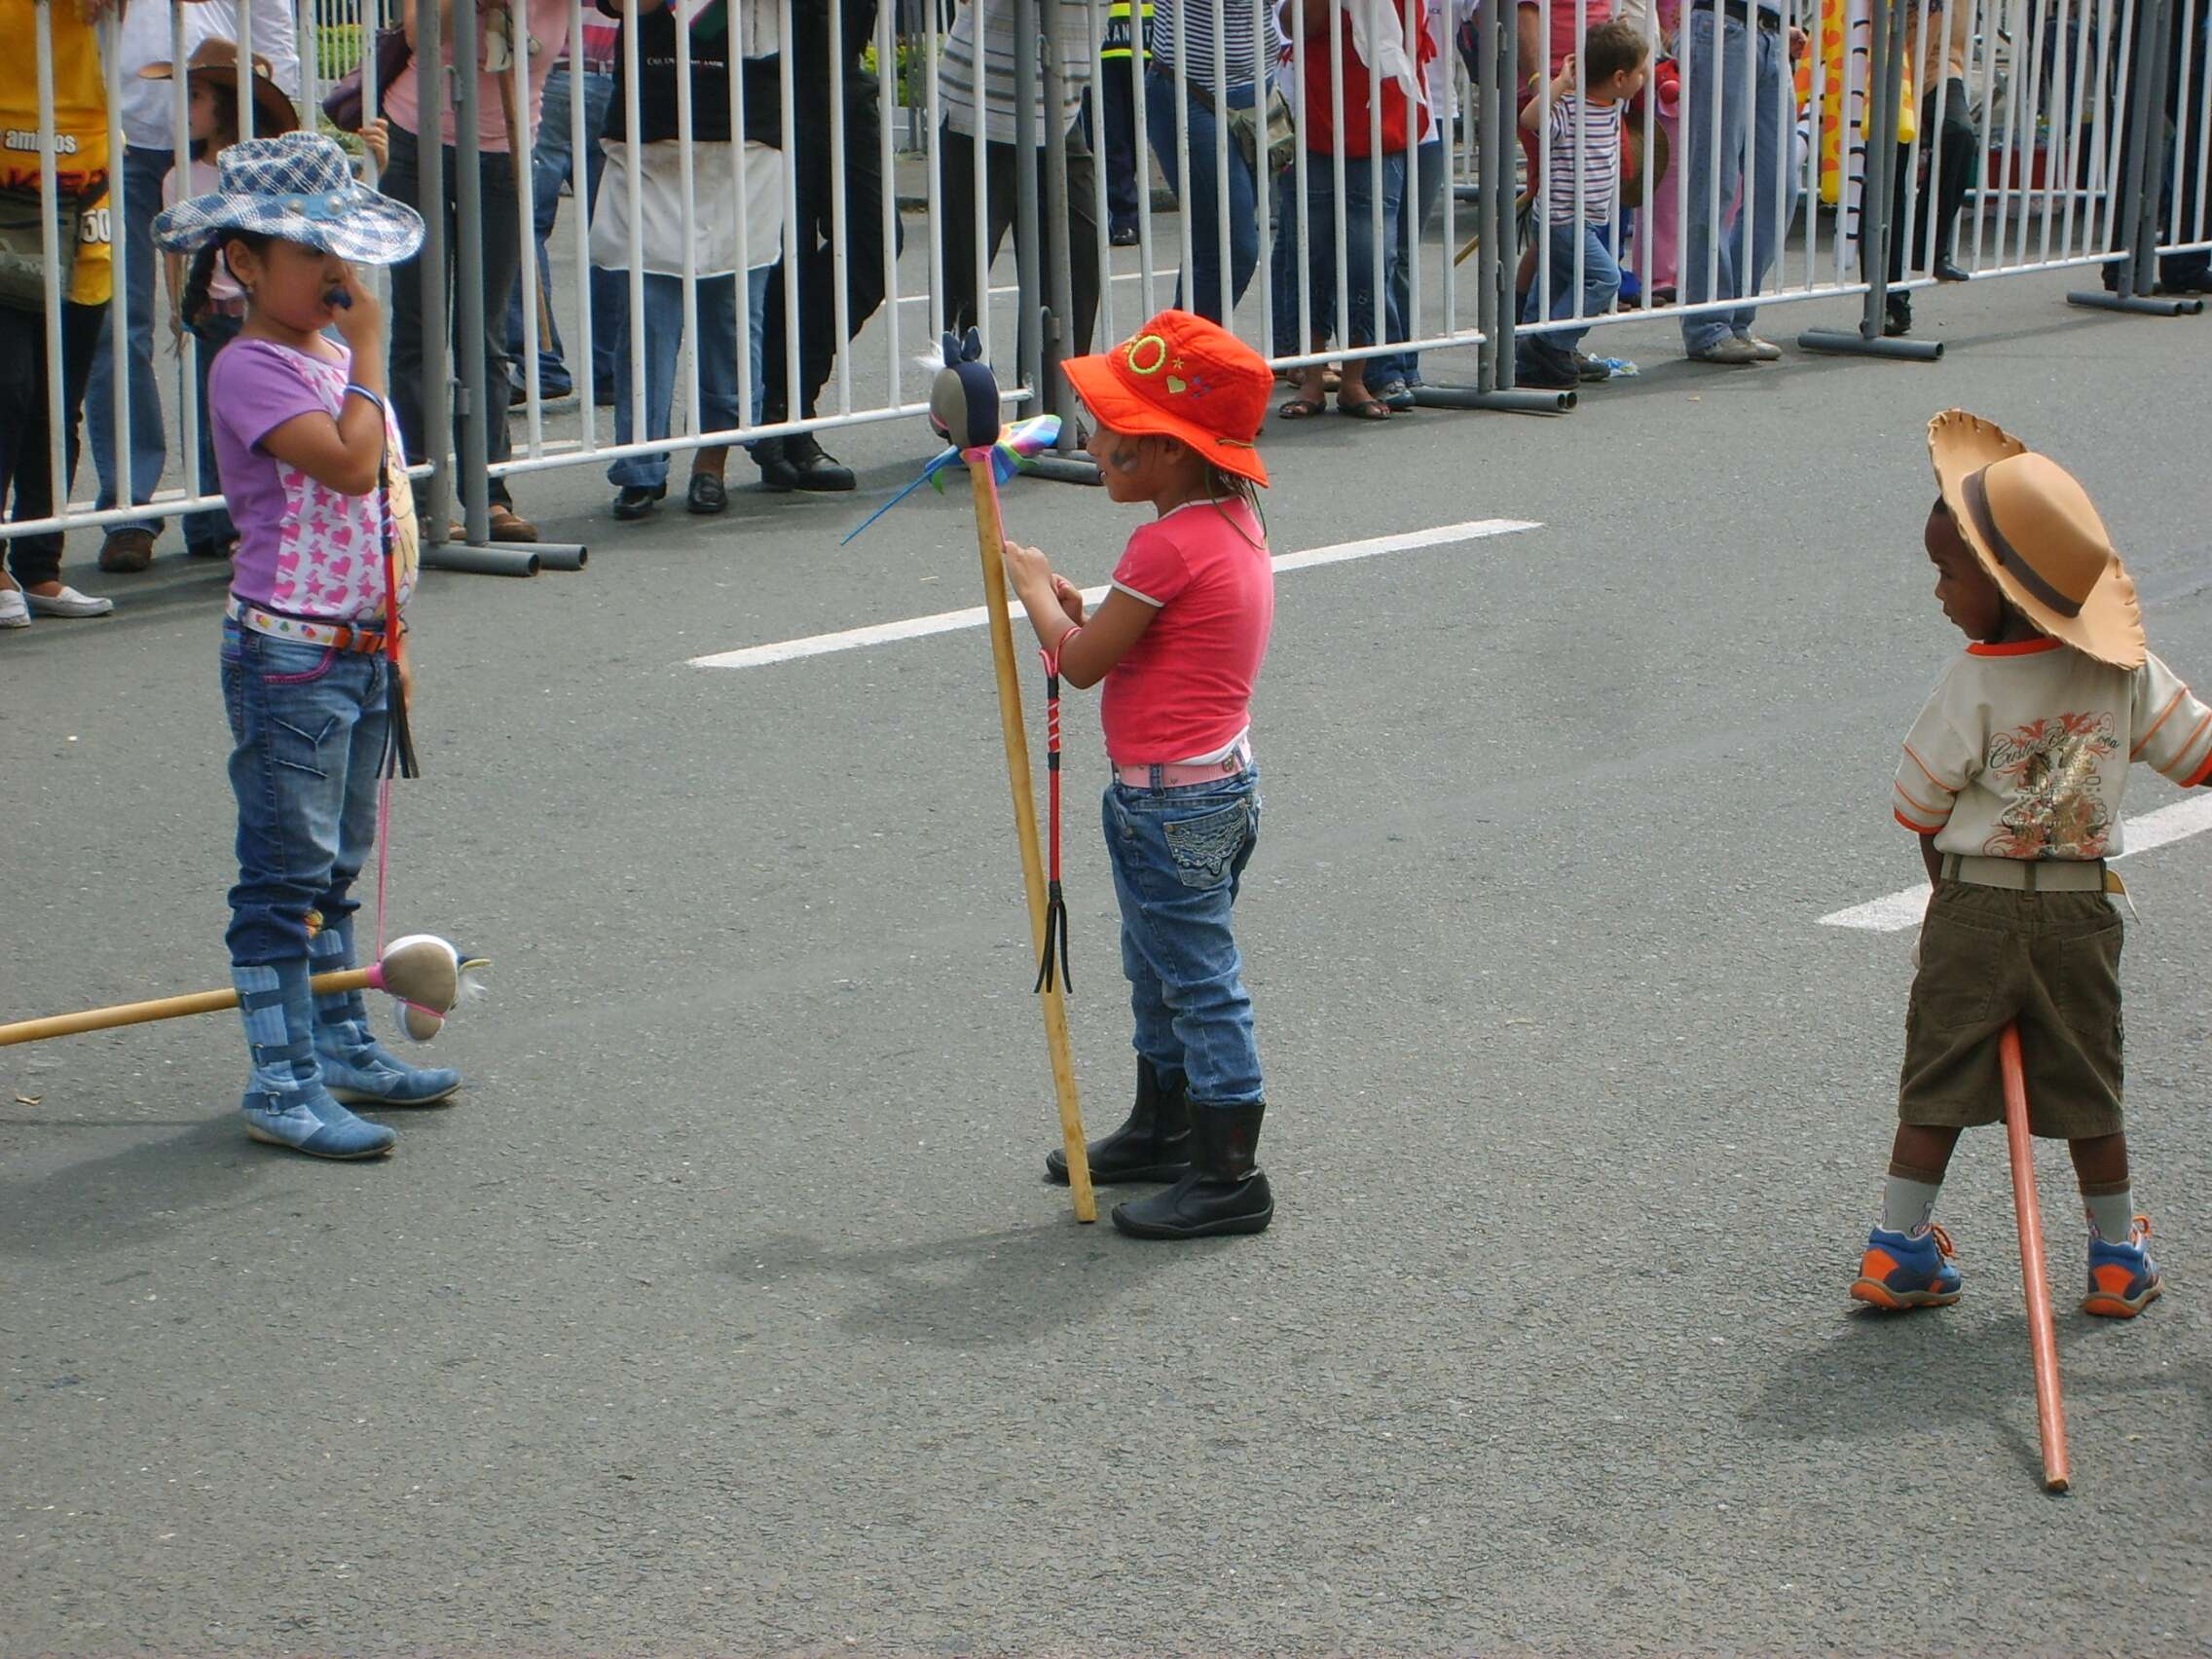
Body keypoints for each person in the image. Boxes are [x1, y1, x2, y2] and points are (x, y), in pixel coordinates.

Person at [1850, 409, 2204, 1316]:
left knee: (1937, 1077)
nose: (1938, 590)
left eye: (1948, 572)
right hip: (2079, 916)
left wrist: (1950, 876)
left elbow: (1917, 804)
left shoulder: (1973, 679)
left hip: (1973, 908)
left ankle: (1899, 1249)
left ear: (2005, 590)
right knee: (2090, 1086)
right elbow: (2199, 756)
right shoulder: (2125, 674)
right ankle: (2118, 1257)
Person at [153, 132, 460, 1160]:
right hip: (288, 657)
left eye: (346, 251)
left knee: (337, 866)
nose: (339, 274)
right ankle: (279, 1080)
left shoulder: (323, 353)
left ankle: (336, 1044)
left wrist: (395, 633)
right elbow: (344, 468)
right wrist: (372, 356)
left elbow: (385, 517)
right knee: (282, 876)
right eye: (310, 253)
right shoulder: (250, 368)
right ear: (242, 263)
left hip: (358, 648)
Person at [999, 309, 1277, 1241]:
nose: (1093, 440)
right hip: (1216, 789)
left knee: (1196, 981)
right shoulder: (1229, 521)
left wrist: (1036, 593)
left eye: (1111, 427)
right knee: (1160, 965)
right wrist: (1085, 607)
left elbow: (1080, 664)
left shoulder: (1162, 546)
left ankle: (1229, 1173)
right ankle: (1165, 1127)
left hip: (1172, 801)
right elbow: (1137, 632)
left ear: (1163, 451)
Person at [88, 0, 297, 574]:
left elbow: (272, 18)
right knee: (118, 325)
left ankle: (224, 510)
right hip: (120, 132)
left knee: (229, 326)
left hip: (223, 138)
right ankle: (128, 510)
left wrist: (271, 117)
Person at [381, 0, 572, 543]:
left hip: (506, 149)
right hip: (418, 141)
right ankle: (415, 495)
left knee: (486, 333)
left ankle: (488, 492)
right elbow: (419, 33)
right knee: (418, 328)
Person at [591, 0, 784, 520]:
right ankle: (639, 466)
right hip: (650, 128)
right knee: (647, 315)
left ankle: (712, 462)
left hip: (747, 129)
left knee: (732, 316)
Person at [150, 36, 300, 561]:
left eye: (195, 96)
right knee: (212, 422)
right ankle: (211, 526)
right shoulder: (180, 177)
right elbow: (175, 250)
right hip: (213, 318)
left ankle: (256, 524)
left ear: (228, 107)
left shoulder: (266, 174)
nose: (183, 109)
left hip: (264, 317)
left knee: (266, 425)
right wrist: (177, 310)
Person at [0, 0, 120, 631]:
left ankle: (40, 563)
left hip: (84, 176)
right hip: (7, 179)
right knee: (9, 383)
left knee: (60, 391)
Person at [749, 0, 899, 495]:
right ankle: (783, 417)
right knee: (779, 258)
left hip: (843, 84)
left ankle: (785, 398)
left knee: (874, 242)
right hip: (766, 83)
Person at [1274, 0, 1435, 423]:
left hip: (1382, 120)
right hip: (1313, 115)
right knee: (1311, 253)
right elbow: (1294, 24)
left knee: (1370, 255)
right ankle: (1312, 376)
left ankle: (1354, 380)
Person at [937, 0, 1101, 361]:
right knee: (965, 281)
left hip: (1060, 110)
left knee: (1075, 269)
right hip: (979, 108)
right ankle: (969, 405)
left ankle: (1052, 408)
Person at [1515, 21, 1648, 388]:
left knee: (1554, 285)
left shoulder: (1613, 103)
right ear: (1620, 77)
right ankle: (1551, 344)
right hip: (1562, 219)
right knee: (1605, 279)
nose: (1645, 77)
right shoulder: (1571, 108)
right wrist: (1560, 84)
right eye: (1640, 71)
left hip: (1583, 219)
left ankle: (1526, 353)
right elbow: (1529, 120)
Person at [1676, 0, 1803, 365]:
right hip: (1723, 24)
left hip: (1768, 34)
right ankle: (1709, 324)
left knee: (1779, 189)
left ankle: (1733, 315)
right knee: (1715, 183)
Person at [504, 9, 620, 405]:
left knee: (524, 222)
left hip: (549, 65)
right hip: (618, 67)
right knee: (613, 228)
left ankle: (540, 360)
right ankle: (614, 368)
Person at [1146, 0, 1282, 323]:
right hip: (1190, 90)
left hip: (1256, 89)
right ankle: (1180, 357)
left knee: (1211, 249)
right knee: (1232, 251)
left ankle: (1178, 357)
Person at [1882, 0, 1972, 338]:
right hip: (1891, 57)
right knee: (1888, 180)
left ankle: (1928, 244)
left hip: (1941, 63)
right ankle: (1889, 302)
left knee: (1959, 133)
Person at [1092, 0, 1153, 245]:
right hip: (1104, 49)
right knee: (1112, 139)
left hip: (1148, 46)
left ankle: (1124, 216)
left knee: (1135, 138)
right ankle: (1123, 218)